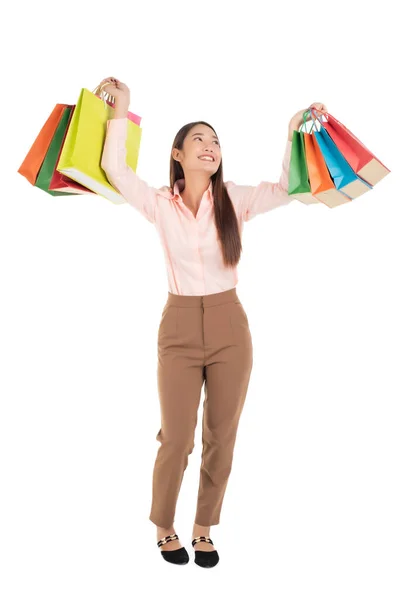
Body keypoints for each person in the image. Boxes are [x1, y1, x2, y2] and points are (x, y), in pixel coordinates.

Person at [99, 76, 327, 568]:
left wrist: (295, 131)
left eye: (216, 140)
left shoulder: (235, 200)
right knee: (177, 437)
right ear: (178, 154)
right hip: (178, 327)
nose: (211, 146)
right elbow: (115, 168)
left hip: (230, 326)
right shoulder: (159, 203)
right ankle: (164, 525)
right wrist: (122, 109)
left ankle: (204, 527)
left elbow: (290, 187)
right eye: (199, 139)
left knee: (222, 435)